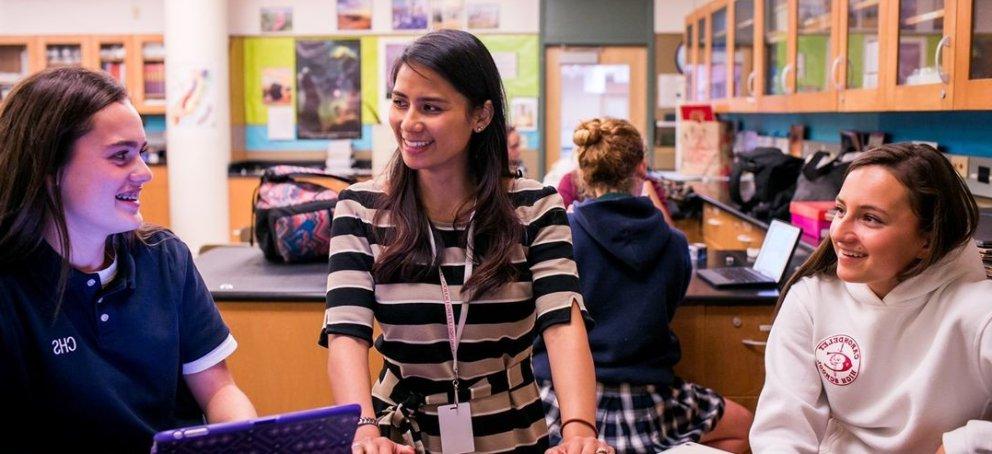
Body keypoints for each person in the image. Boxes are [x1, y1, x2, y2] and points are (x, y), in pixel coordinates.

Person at [321, 30, 612, 454]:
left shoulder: (535, 207)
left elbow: (562, 323)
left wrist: (579, 430)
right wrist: (364, 429)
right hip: (400, 434)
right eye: (400, 102)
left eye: (431, 107)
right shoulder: (361, 209)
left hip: (512, 430)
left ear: (480, 115)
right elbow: (346, 332)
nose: (409, 122)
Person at [0, 67, 257, 452]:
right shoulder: (10, 286)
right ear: (48, 168)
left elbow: (219, 391)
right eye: (121, 156)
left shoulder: (165, 258)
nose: (144, 174)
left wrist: (246, 440)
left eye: (142, 153)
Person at [750, 143, 992, 453]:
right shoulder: (811, 298)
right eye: (841, 210)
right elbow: (781, 431)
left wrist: (966, 445)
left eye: (871, 219)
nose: (840, 233)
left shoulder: (977, 311)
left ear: (926, 240)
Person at [532, 118, 753, 453]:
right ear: (642, 168)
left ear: (583, 172)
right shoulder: (674, 242)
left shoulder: (562, 237)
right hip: (648, 401)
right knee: (744, 429)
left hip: (562, 402)